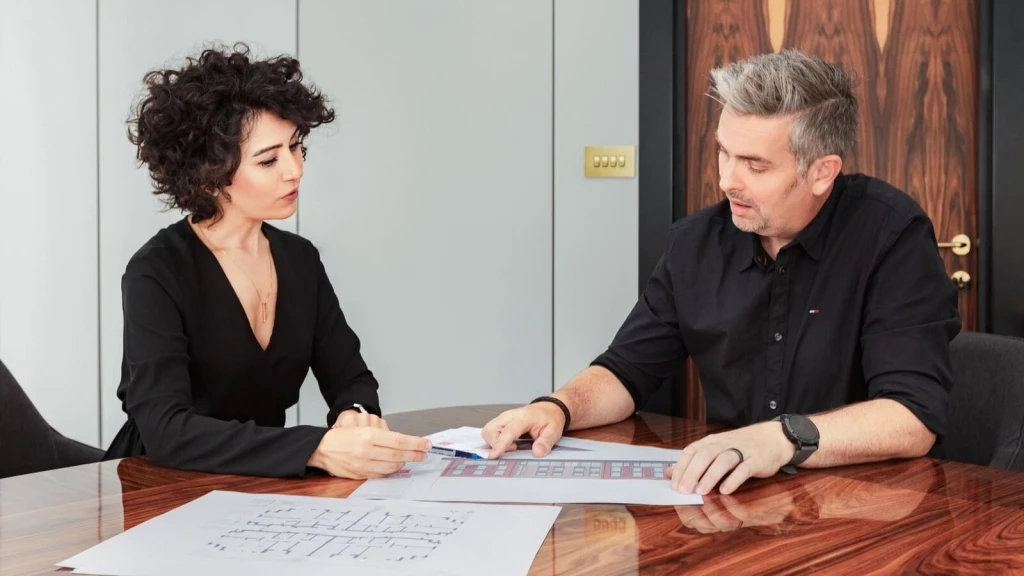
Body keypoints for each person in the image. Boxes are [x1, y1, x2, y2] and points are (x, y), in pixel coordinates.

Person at [482, 49, 961, 495]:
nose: (728, 179)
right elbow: (627, 371)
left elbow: (912, 417)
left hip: (866, 507)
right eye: (724, 153)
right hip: (736, 500)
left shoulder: (890, 235)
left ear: (821, 172)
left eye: (755, 165)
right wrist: (558, 407)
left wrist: (779, 440)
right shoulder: (695, 243)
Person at [103, 43, 431, 478]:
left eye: (296, 148)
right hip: (160, 486)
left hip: (261, 484)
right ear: (209, 175)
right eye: (269, 159)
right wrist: (316, 449)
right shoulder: (156, 272)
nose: (294, 170)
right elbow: (167, 432)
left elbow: (351, 377)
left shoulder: (299, 259)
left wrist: (355, 415)